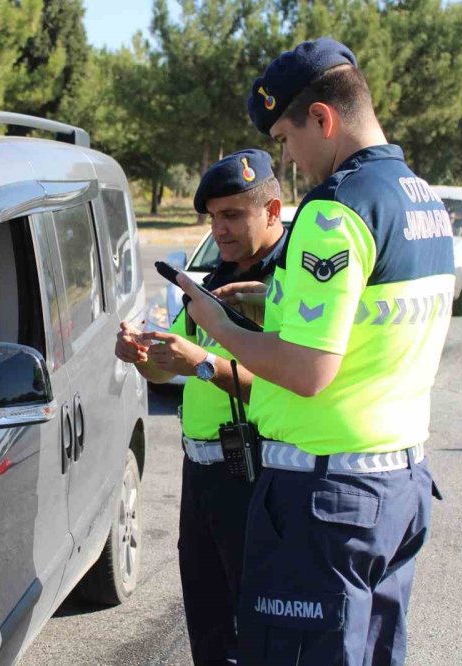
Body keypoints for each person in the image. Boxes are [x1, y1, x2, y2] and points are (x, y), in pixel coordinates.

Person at [175, 37, 453, 665]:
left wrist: (215, 322)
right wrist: (276, 296)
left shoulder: (334, 209)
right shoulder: (422, 200)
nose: (289, 157)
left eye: (286, 137)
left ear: (323, 119)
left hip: (326, 500)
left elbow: (307, 371)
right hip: (398, 484)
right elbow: (372, 327)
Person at [116, 149, 286, 665]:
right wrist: (143, 357)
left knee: (262, 625)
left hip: (259, 475)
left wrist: (204, 361)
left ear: (273, 212)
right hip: (205, 472)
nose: (220, 230)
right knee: (208, 623)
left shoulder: (293, 285)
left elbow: (287, 385)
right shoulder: (210, 283)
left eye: (233, 215)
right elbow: (174, 370)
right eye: (213, 218)